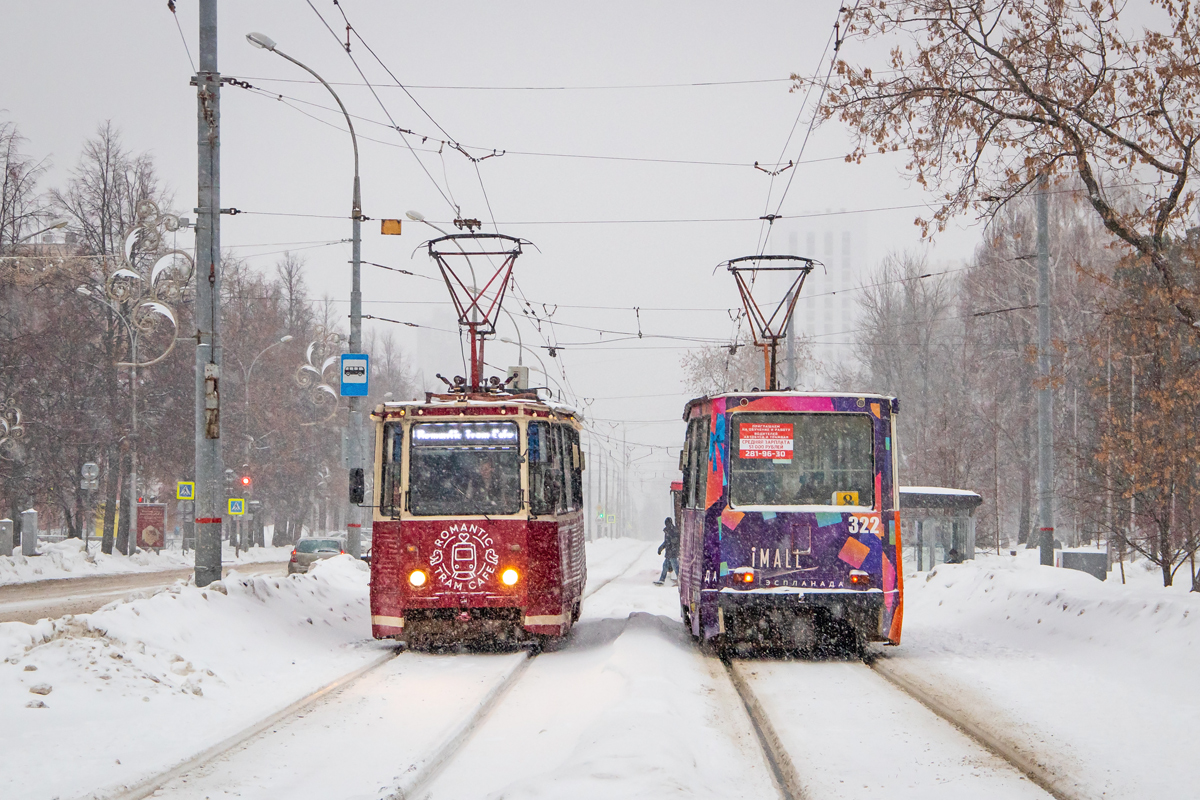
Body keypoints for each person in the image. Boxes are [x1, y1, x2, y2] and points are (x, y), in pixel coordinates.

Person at [655, 517, 680, 585]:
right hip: (669, 553)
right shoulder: (668, 531)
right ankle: (662, 580)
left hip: (673, 553)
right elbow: (666, 542)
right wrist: (661, 548)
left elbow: (675, 541)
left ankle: (680, 580)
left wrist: (672, 542)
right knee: (665, 566)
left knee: (675, 567)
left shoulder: (673, 531)